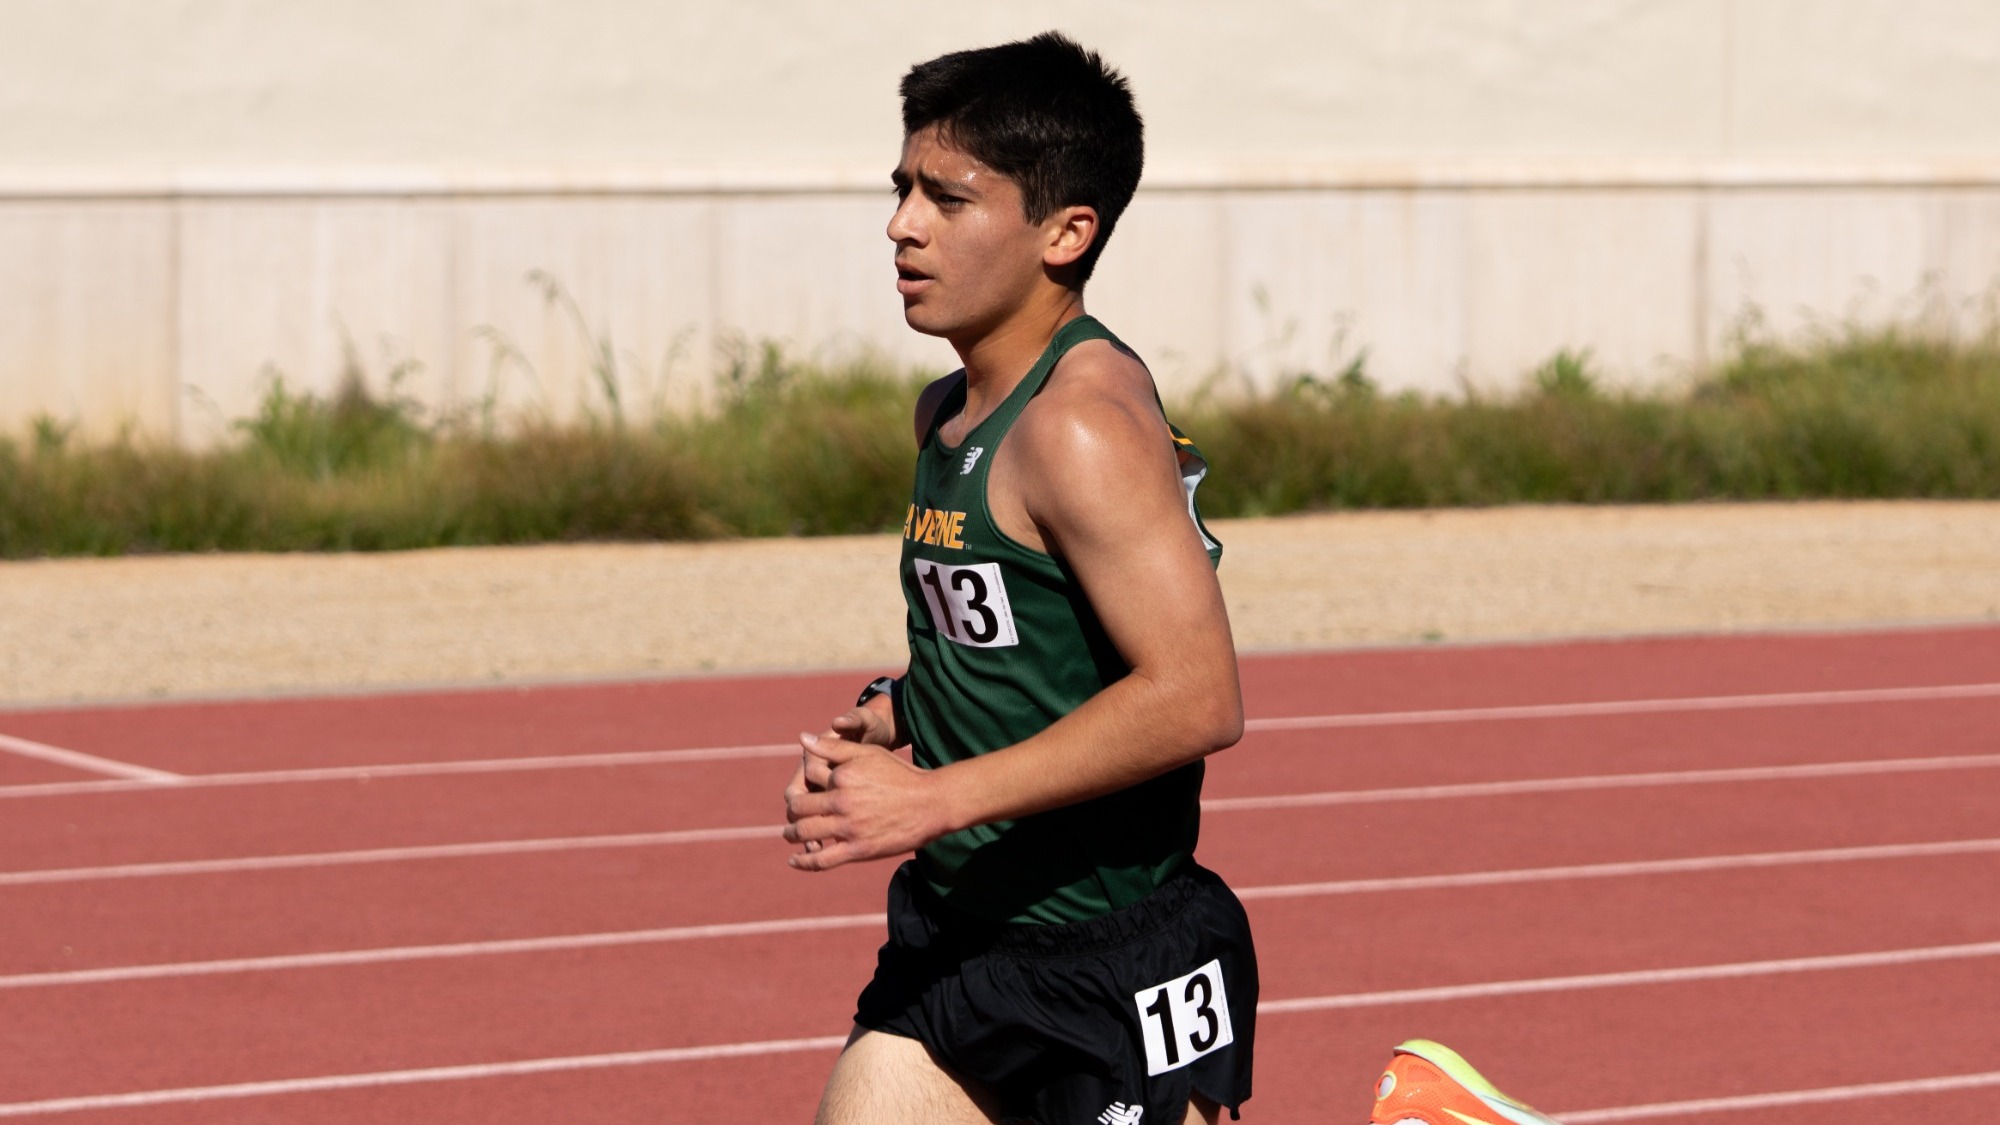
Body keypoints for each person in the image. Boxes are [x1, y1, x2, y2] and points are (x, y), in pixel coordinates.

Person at [781, 31, 1257, 1125]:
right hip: (955, 937)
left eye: (947, 199)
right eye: (899, 189)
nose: (901, 225)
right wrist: (898, 716)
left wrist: (935, 799)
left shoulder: (1078, 428)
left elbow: (1198, 695)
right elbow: (1026, 637)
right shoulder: (946, 413)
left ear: (1064, 231)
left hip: (1107, 959)